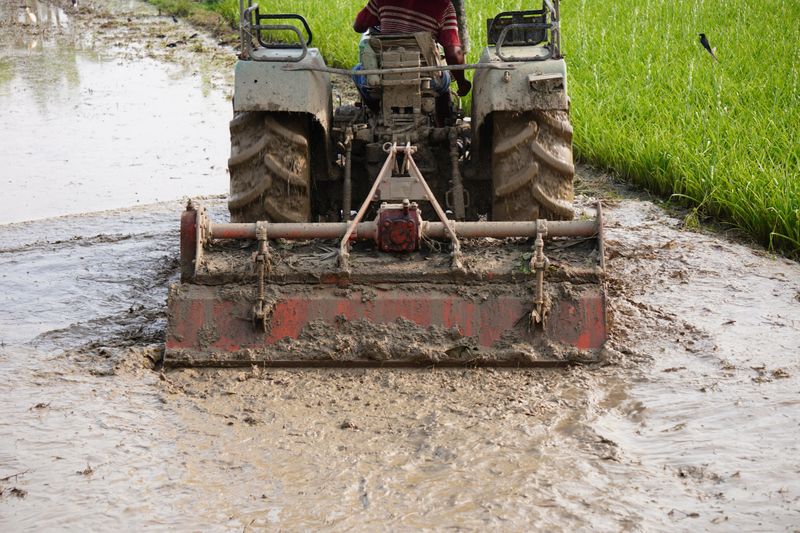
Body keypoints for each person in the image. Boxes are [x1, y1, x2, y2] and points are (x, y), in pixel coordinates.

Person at [352, 0, 472, 118]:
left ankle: (377, 112)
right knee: (444, 74)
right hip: (427, 81)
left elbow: (358, 26)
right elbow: (453, 54)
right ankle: (443, 121)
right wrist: (462, 83)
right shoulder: (444, 5)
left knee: (358, 71)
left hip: (384, 78)